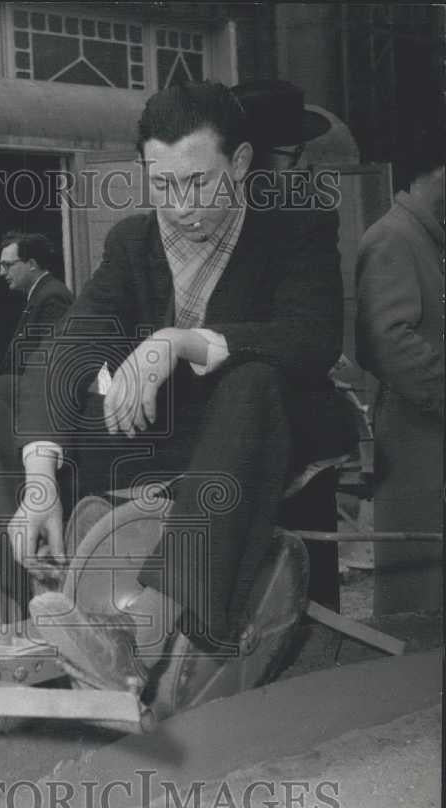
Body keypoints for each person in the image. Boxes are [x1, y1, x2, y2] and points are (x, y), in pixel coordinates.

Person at [0, 80, 356, 684]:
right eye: (162, 184)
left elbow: (313, 338)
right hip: (172, 435)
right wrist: (38, 480)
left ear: (239, 163)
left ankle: (148, 630)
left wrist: (174, 341)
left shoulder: (297, 224)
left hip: (257, 433)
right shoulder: (133, 241)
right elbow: (70, 345)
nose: (180, 205)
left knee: (252, 379)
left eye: (198, 182)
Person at [232, 79, 344, 611]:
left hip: (296, 436)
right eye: (292, 153)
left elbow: (314, 339)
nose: (300, 165)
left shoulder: (304, 214)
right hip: (242, 435)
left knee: (306, 592)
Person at [355, 117, 444, 615]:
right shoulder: (392, 238)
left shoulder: (428, 239)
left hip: (431, 441)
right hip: (417, 447)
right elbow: (386, 341)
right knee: (419, 596)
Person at [0, 232, 73, 377]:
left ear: (31, 264)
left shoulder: (52, 297)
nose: (1, 272)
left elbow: (51, 361)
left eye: (7, 265)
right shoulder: (42, 293)